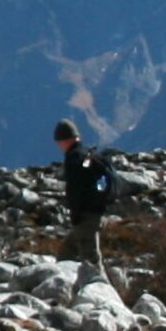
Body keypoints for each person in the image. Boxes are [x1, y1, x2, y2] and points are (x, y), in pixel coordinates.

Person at [52, 118, 113, 283]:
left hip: (85, 215)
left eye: (59, 142)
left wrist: (76, 214)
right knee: (67, 252)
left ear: (64, 140)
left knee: (90, 258)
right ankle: (65, 285)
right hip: (95, 211)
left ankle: (104, 291)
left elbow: (76, 189)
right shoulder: (87, 153)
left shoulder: (74, 158)